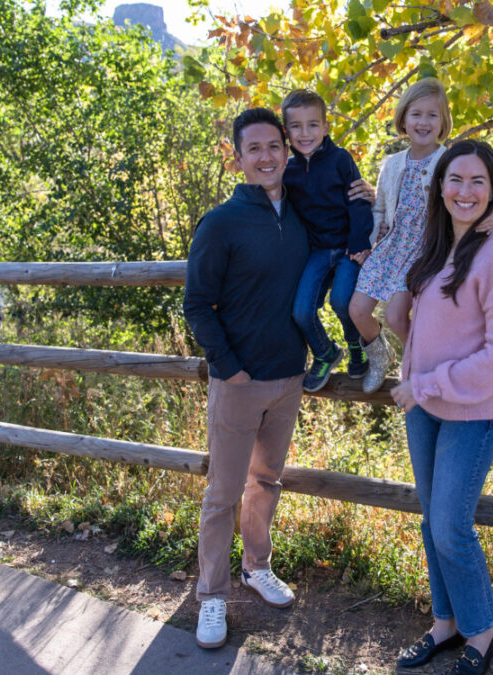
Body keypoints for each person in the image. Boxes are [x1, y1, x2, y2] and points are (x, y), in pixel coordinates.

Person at [390, 140, 493, 675]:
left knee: (451, 525)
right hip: (424, 405)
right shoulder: (437, 244)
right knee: (432, 522)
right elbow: (420, 322)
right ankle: (445, 623)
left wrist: (424, 383)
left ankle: (483, 629)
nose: (465, 191)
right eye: (455, 179)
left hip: (471, 410)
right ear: (440, 186)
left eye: (478, 181)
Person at [183, 107, 308, 650]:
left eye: (273, 146)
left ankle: (257, 566)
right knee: (223, 492)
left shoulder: (303, 214)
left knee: (267, 481)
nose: (266, 156)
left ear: (287, 151)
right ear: (238, 159)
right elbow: (197, 304)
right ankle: (211, 594)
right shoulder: (221, 223)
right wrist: (228, 367)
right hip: (238, 380)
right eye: (253, 148)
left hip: (289, 376)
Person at [348, 78, 493, 395]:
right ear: (403, 119)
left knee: (396, 315)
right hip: (392, 246)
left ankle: (418, 367)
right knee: (357, 309)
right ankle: (381, 356)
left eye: (432, 115)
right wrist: (369, 244)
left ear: (443, 122)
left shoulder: (449, 160)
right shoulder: (392, 163)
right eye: (416, 114)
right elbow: (381, 210)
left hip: (425, 248)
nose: (423, 122)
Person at [282, 89, 375, 392]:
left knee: (342, 301)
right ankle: (325, 352)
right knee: (300, 311)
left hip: (348, 247)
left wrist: (360, 243)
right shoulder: (288, 171)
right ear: (287, 131)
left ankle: (356, 345)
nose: (305, 133)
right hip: (318, 251)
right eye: (296, 126)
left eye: (312, 125)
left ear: (325, 127)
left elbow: (358, 202)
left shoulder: (340, 160)